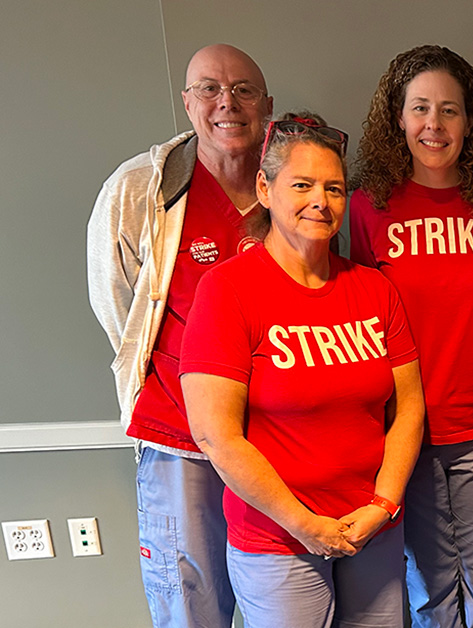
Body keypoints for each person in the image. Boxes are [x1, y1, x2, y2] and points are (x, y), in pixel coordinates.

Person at [178, 112, 425, 627]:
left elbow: (409, 409)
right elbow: (215, 434)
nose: (322, 200)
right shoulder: (228, 291)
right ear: (265, 189)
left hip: (370, 528)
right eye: (303, 185)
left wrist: (383, 505)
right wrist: (305, 525)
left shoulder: (374, 289)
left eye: (334, 188)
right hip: (277, 540)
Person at [86, 43, 272, 627]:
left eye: (243, 89)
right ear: (187, 104)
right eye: (210, 90)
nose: (228, 103)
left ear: (267, 105)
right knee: (192, 604)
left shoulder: (292, 183)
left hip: (276, 439)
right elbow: (119, 305)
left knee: (284, 600)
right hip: (180, 438)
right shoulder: (142, 188)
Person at [349, 45, 473, 628]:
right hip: (404, 430)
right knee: (428, 584)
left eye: (449, 110)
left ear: (471, 121)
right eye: (420, 108)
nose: (434, 124)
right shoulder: (368, 207)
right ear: (398, 117)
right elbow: (357, 322)